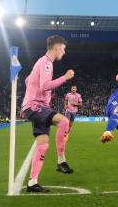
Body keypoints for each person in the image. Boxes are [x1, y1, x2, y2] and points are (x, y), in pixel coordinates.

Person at [20, 35, 75, 193]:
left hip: (36, 106)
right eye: (63, 49)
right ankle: (61, 161)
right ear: (57, 47)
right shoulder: (46, 63)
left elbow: (28, 80)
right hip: (36, 106)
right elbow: (44, 86)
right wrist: (65, 77)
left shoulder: (40, 62)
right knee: (64, 122)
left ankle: (32, 183)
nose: (63, 53)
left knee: (43, 145)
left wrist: (31, 86)